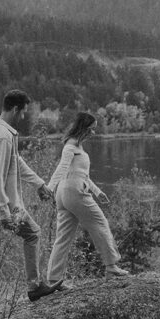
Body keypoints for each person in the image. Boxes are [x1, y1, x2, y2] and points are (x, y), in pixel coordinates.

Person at [0, 89, 56, 319]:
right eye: (23, 112)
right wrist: (4, 212)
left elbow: (15, 161)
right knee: (30, 235)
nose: (24, 117)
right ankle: (33, 287)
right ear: (15, 109)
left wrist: (38, 184)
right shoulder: (2, 137)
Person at [45, 112, 129, 289]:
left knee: (63, 236)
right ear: (83, 128)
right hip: (72, 190)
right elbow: (62, 168)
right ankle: (111, 267)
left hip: (64, 192)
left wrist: (98, 192)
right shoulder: (70, 147)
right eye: (91, 129)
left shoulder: (77, 146)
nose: (93, 133)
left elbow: (83, 175)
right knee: (99, 223)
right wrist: (49, 188)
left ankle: (54, 280)